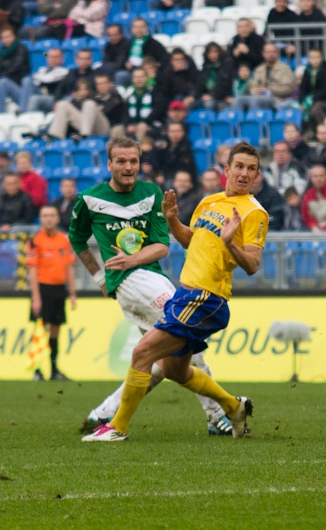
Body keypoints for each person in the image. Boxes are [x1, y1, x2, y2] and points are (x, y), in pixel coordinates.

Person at [81, 141, 263, 443]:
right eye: (239, 167)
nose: (244, 173)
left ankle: (117, 427)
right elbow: (191, 240)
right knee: (176, 371)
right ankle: (234, 407)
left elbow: (253, 264)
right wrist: (171, 220)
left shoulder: (254, 213)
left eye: (251, 169)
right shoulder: (210, 202)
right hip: (185, 295)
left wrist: (231, 243)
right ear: (227, 170)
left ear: (257, 176)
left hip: (206, 298)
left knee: (142, 353)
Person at [27, 205, 76, 381]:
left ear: (57, 218)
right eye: (45, 215)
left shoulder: (64, 240)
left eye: (52, 215)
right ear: (41, 219)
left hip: (59, 289)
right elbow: (32, 271)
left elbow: (70, 267)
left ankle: (55, 369)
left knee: (56, 330)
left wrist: (72, 293)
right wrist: (36, 297)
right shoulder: (35, 241)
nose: (48, 218)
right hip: (43, 289)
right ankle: (37, 370)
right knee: (41, 330)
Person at [0, 47, 68, 114]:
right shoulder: (43, 70)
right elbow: (37, 79)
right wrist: (37, 78)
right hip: (30, 96)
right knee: (3, 81)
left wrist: (37, 78)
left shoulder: (64, 71)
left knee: (27, 80)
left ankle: (23, 111)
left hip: (48, 97)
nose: (53, 59)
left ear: (62, 58)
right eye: (50, 57)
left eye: (56, 57)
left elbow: (48, 79)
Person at [231, 44, 294, 112]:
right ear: (263, 53)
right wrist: (255, 90)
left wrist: (268, 90)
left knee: (255, 99)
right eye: (268, 52)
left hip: (277, 99)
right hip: (258, 96)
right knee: (238, 99)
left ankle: (255, 121)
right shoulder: (259, 69)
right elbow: (253, 85)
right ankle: (237, 121)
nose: (271, 54)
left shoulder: (284, 68)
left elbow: (288, 88)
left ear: (278, 53)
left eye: (273, 52)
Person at [299, 48, 326, 128]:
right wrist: (302, 102)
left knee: (315, 110)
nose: (315, 60)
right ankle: (307, 132)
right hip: (309, 98)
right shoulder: (307, 70)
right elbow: (303, 87)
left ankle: (323, 129)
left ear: (321, 58)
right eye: (312, 58)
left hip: (324, 98)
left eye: (317, 57)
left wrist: (311, 99)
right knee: (299, 110)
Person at [197, 42, 235, 112]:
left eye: (215, 52)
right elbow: (200, 84)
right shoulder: (205, 67)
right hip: (206, 96)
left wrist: (212, 95)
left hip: (221, 97)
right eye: (210, 52)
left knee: (209, 104)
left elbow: (224, 85)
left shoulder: (226, 66)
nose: (213, 55)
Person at [125, 68, 159, 141]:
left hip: (149, 124)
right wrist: (128, 124)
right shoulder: (128, 92)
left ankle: (139, 151)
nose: (139, 79)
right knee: (117, 129)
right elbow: (124, 111)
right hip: (132, 123)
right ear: (133, 79)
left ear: (146, 78)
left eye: (141, 77)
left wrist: (145, 122)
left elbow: (157, 110)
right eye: (136, 77)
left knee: (141, 129)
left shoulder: (154, 91)